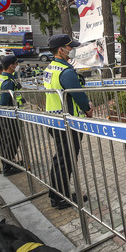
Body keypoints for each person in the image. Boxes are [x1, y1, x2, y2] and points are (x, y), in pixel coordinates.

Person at [43, 34, 94, 210]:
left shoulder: (51, 68)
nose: (72, 51)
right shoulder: (65, 71)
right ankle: (61, 197)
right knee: (66, 160)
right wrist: (87, 108)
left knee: (61, 159)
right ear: (61, 50)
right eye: (70, 47)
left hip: (55, 119)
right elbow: (78, 94)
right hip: (67, 122)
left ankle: (57, 193)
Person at [0, 55, 23, 176]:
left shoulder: (1, 78)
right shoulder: (7, 82)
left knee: (8, 140)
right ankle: (7, 167)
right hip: (9, 116)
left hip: (5, 115)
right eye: (16, 63)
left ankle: (9, 162)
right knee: (12, 140)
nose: (17, 66)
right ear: (11, 65)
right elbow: (4, 100)